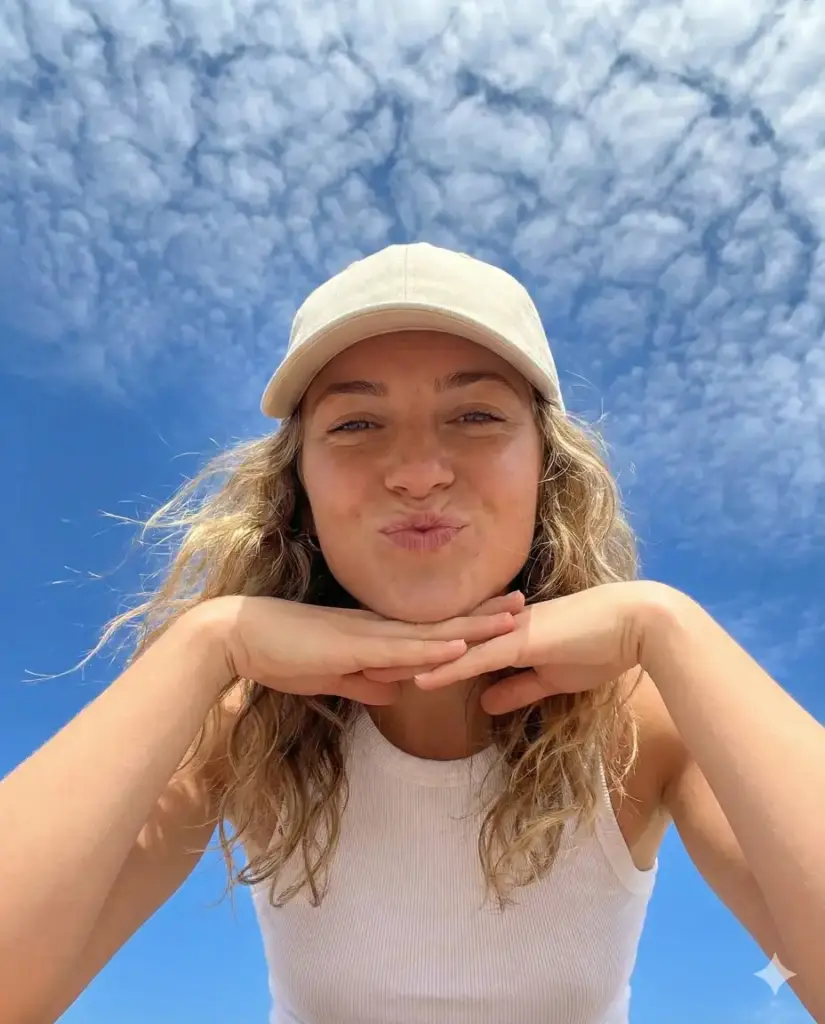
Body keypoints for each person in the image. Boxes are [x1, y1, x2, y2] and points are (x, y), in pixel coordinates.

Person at [1, 243, 823, 1024]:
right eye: (356, 426)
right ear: (298, 487)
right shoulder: (243, 722)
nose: (419, 472)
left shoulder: (638, 719)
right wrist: (205, 644)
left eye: (474, 414)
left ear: (548, 469)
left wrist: (669, 627)